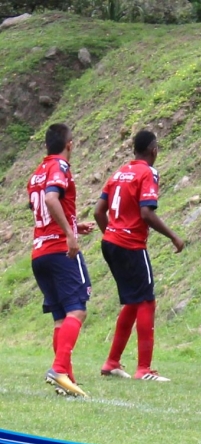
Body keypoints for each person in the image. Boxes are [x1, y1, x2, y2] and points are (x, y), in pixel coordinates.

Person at [94, 130, 184, 382]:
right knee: (146, 302)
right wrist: (173, 236)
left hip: (110, 242)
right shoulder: (148, 172)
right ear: (153, 149)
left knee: (133, 302)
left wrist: (112, 233)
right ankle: (144, 369)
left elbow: (98, 211)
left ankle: (111, 362)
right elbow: (146, 213)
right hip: (130, 245)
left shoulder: (119, 172)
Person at [28, 123, 94, 398]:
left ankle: (66, 381)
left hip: (39, 252)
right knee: (77, 309)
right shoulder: (61, 167)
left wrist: (75, 226)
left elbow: (42, 210)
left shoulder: (35, 174)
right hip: (59, 251)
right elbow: (52, 199)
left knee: (59, 318)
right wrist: (70, 235)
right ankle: (58, 369)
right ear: (70, 144)